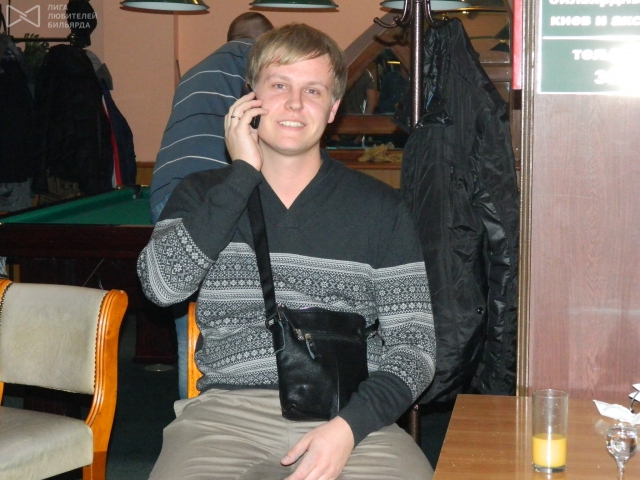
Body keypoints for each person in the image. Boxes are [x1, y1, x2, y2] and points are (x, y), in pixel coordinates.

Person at [138, 23, 436, 479]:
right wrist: (241, 176)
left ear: (333, 108)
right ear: (250, 97)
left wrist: (348, 428)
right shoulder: (202, 194)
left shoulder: (381, 209)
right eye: (279, 85)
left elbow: (416, 347)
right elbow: (162, 288)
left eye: (313, 90)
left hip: (352, 418)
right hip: (226, 418)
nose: (295, 104)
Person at [148, 12, 273, 399]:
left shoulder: (194, 73)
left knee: (186, 311)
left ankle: (193, 406)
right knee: (228, 309)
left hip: (167, 193)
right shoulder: (260, 67)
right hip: (217, 190)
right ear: (266, 40)